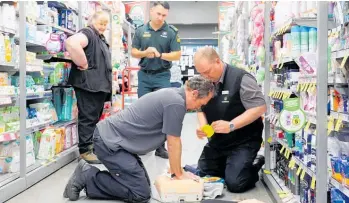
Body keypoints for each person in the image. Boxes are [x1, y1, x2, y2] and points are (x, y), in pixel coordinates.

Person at [63, 76, 215, 202]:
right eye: (200, 104)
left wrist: (177, 170)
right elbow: (174, 142)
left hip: (118, 142)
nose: (197, 108)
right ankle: (87, 176)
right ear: (194, 93)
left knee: (144, 187)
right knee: (140, 194)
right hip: (109, 143)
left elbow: (173, 140)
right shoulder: (176, 102)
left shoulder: (174, 96)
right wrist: (179, 173)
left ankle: (91, 177)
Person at [193, 47, 267, 193]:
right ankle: (230, 166)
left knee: (235, 183)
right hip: (218, 142)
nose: (205, 77)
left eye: (207, 72)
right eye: (201, 73)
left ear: (217, 61)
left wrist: (232, 125)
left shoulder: (241, 78)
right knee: (202, 175)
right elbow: (199, 107)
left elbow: (260, 107)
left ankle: (255, 163)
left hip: (243, 141)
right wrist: (203, 127)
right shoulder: (204, 80)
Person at [131, 1, 181, 159]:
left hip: (162, 75)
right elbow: (133, 52)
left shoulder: (171, 32)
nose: (160, 17)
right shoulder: (140, 31)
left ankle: (160, 147)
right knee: (143, 110)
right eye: (158, 14)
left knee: (163, 111)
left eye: (164, 15)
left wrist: (160, 55)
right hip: (144, 75)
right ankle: (143, 145)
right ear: (151, 11)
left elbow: (177, 54)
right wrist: (145, 52)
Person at [65, 11, 112, 164]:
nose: (103, 27)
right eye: (101, 23)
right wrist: (83, 63)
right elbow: (72, 43)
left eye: (106, 24)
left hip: (97, 86)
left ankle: (91, 147)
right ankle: (85, 150)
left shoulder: (99, 37)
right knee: (88, 117)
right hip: (88, 85)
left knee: (93, 117)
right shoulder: (88, 33)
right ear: (92, 21)